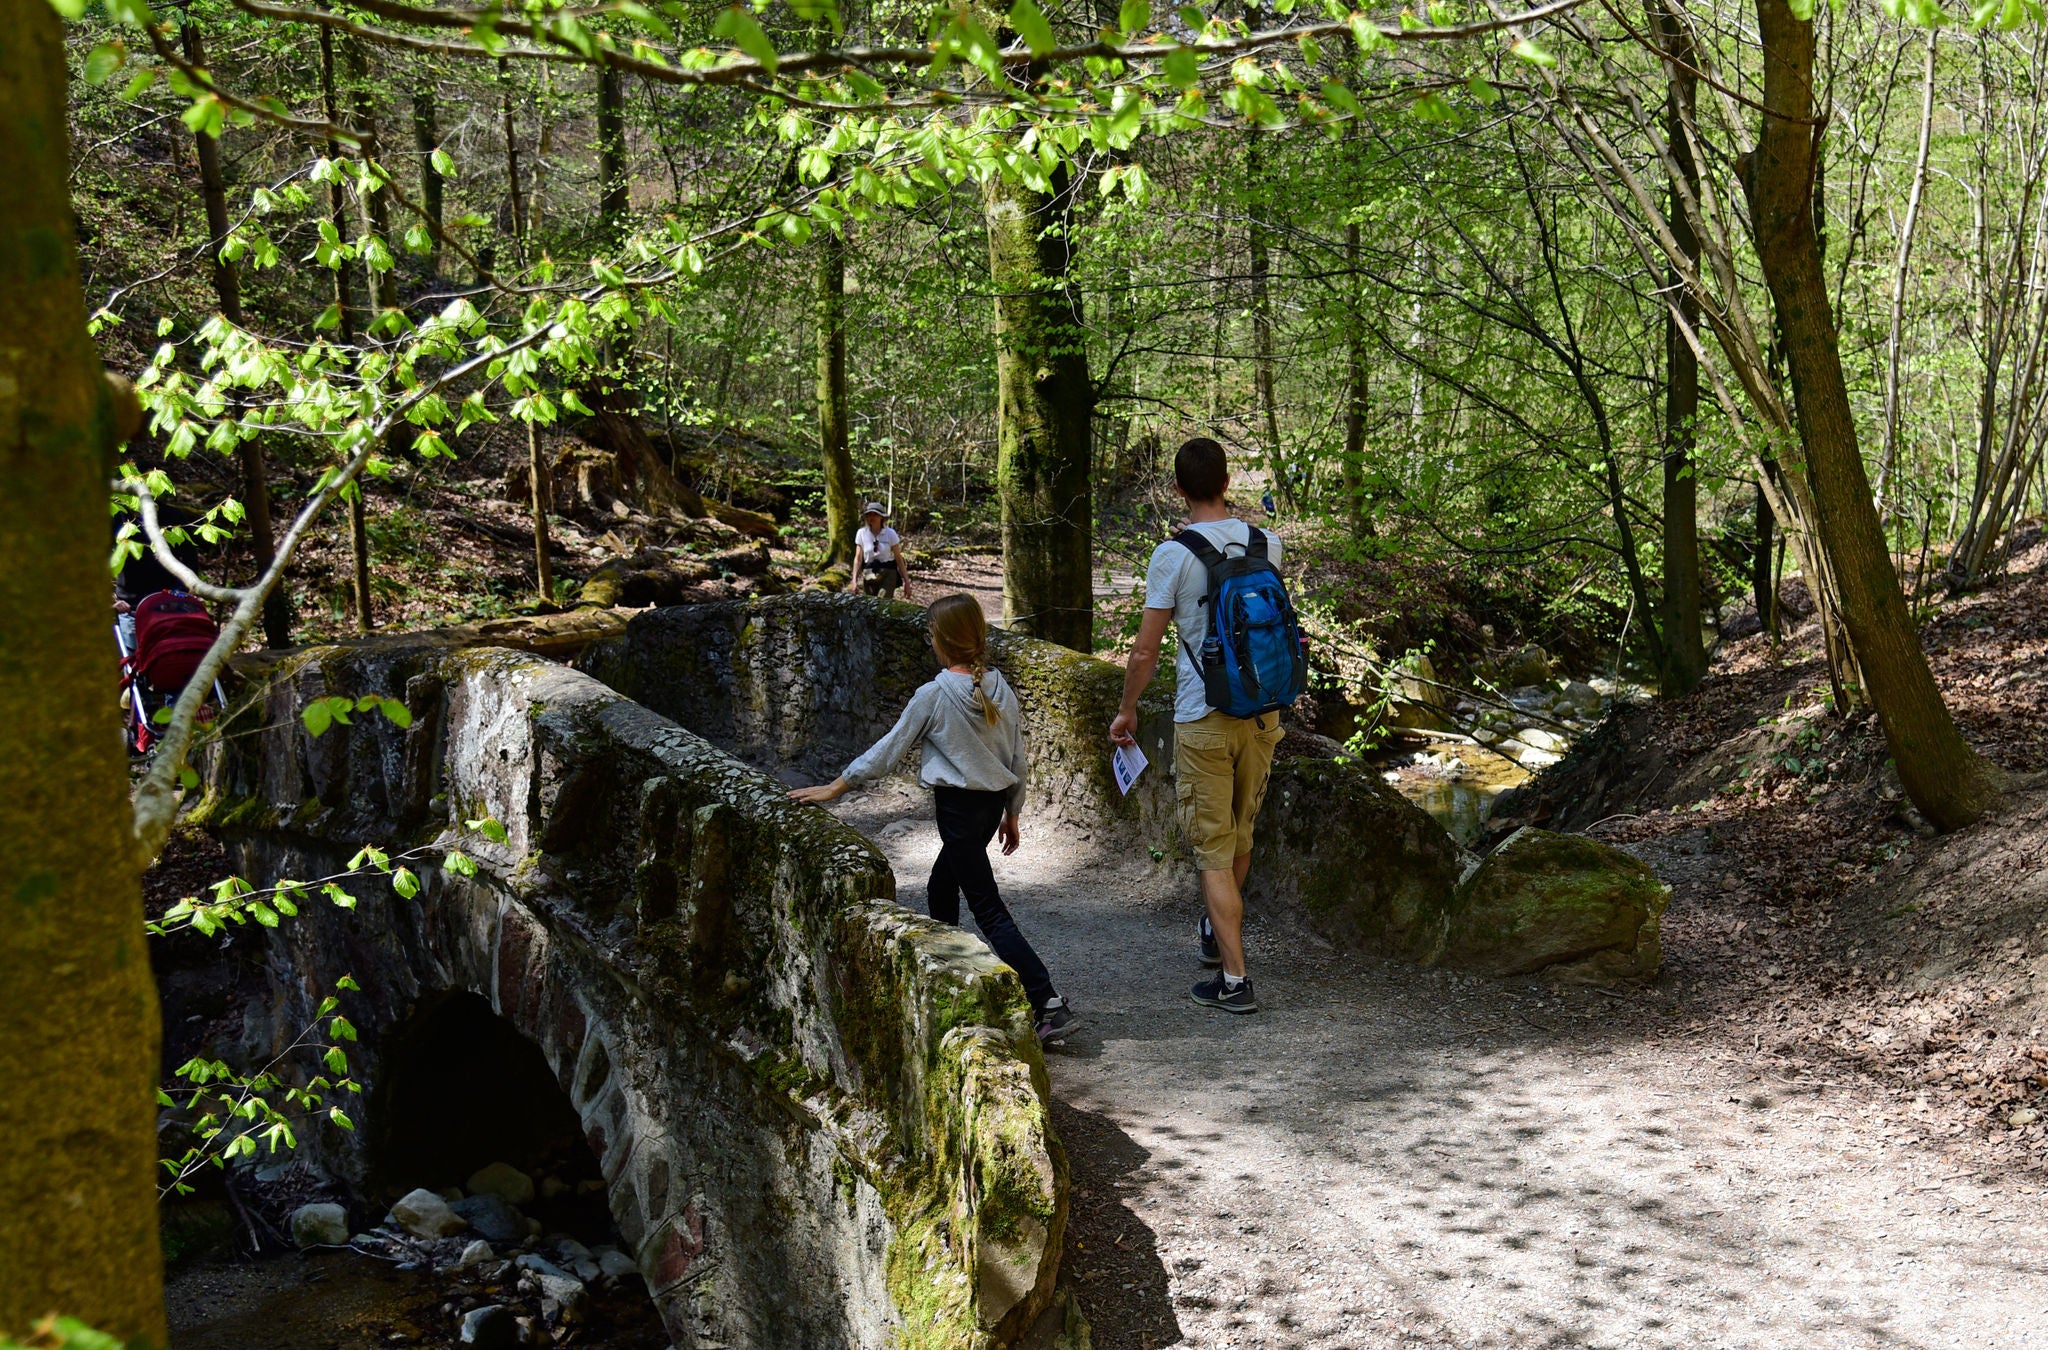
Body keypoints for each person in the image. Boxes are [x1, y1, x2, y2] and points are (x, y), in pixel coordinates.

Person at [790, 592, 1078, 1044]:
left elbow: (888, 750)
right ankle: (949, 981)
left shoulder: (935, 694)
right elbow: (1017, 758)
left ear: (941, 640)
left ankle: (1048, 1002)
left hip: (959, 813)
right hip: (989, 810)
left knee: (989, 910)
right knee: (941, 886)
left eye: (931, 634)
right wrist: (1012, 812)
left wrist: (836, 786)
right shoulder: (1000, 686)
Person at [1109, 438, 1286, 1014]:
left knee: (1212, 848)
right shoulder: (1267, 543)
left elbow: (1145, 651)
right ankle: (1216, 930)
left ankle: (1234, 981)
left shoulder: (1173, 555)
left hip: (1203, 715)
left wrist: (1127, 708)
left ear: (1178, 489)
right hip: (1262, 712)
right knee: (1240, 834)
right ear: (1227, 482)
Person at [850, 502, 910, 600]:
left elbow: (898, 559)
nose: (872, 517)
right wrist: (854, 580)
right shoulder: (861, 533)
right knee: (870, 603)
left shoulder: (890, 533)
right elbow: (858, 558)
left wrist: (907, 582)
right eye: (869, 514)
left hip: (888, 572)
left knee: (883, 602)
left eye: (875, 514)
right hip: (869, 573)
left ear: (882, 517)